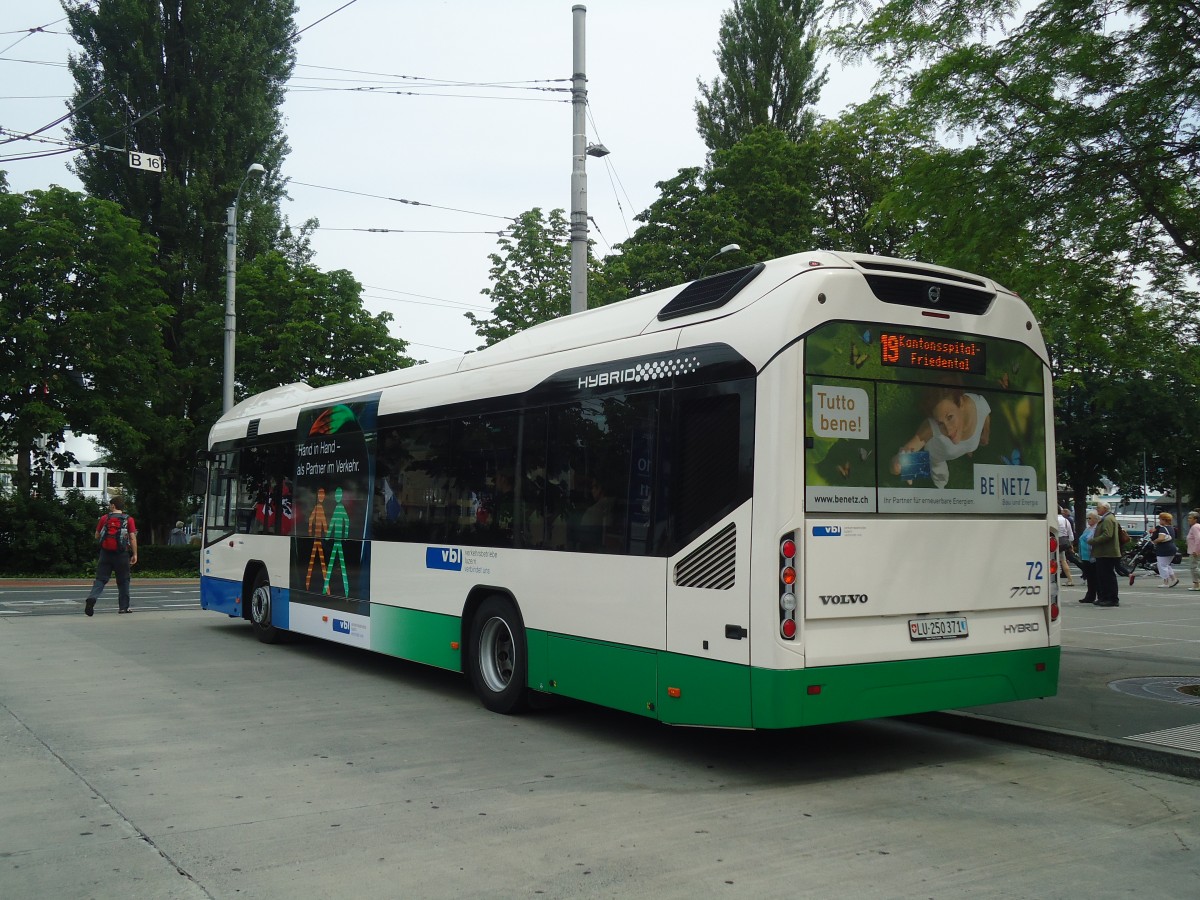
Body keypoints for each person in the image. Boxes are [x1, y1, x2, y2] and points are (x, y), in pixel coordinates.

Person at [891, 385, 991, 489]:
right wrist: (897, 463)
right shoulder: (930, 427)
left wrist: (985, 433)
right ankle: (940, 487)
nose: (948, 430)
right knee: (938, 471)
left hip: (957, 450)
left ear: (961, 403)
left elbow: (986, 413)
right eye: (940, 423)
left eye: (950, 417)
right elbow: (897, 464)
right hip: (937, 455)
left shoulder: (979, 404)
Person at [84, 497, 139, 616]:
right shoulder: (128, 519)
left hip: (105, 553)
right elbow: (132, 537)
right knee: (124, 580)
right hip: (122, 554)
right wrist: (134, 554)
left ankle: (92, 598)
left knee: (100, 579)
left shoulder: (104, 518)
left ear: (113, 506)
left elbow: (97, 536)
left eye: (110, 505)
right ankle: (123, 607)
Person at [1088, 500, 1121, 607]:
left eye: (1099, 508)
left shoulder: (1107, 519)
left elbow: (1107, 535)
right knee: (1103, 576)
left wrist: (1093, 540)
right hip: (1104, 552)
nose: (1097, 509)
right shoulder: (1107, 518)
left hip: (1107, 553)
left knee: (1107, 576)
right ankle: (1104, 597)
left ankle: (1111, 598)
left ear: (1105, 509)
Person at [1151, 511, 1180, 588]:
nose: (1159, 521)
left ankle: (1165, 582)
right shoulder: (1171, 528)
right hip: (1172, 548)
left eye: (1160, 519)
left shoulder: (1163, 529)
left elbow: (1161, 538)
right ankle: (1174, 579)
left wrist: (1154, 541)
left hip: (1164, 549)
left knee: (1162, 565)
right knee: (1167, 565)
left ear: (1164, 520)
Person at [1076, 510, 1099, 603]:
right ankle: (1090, 596)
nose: (1088, 520)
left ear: (1095, 519)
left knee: (1094, 577)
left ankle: (1094, 596)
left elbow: (1092, 541)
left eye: (1090, 518)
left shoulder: (1096, 528)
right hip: (1085, 556)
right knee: (1089, 577)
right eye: (1087, 518)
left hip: (1092, 556)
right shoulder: (1088, 528)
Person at [1056, 506, 1076, 586]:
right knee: (1063, 561)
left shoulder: (1053, 519)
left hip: (1053, 541)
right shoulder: (1065, 520)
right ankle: (1070, 580)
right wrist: (1071, 544)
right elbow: (1071, 535)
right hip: (1063, 542)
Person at [1187, 510, 1200, 592]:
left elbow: (1198, 538)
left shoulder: (1195, 527)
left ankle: (1196, 584)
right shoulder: (1197, 526)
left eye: (1190, 518)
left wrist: (1195, 550)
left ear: (1195, 519)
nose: (1188, 519)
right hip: (1194, 549)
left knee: (1194, 568)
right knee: (1194, 568)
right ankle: (1196, 584)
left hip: (1194, 551)